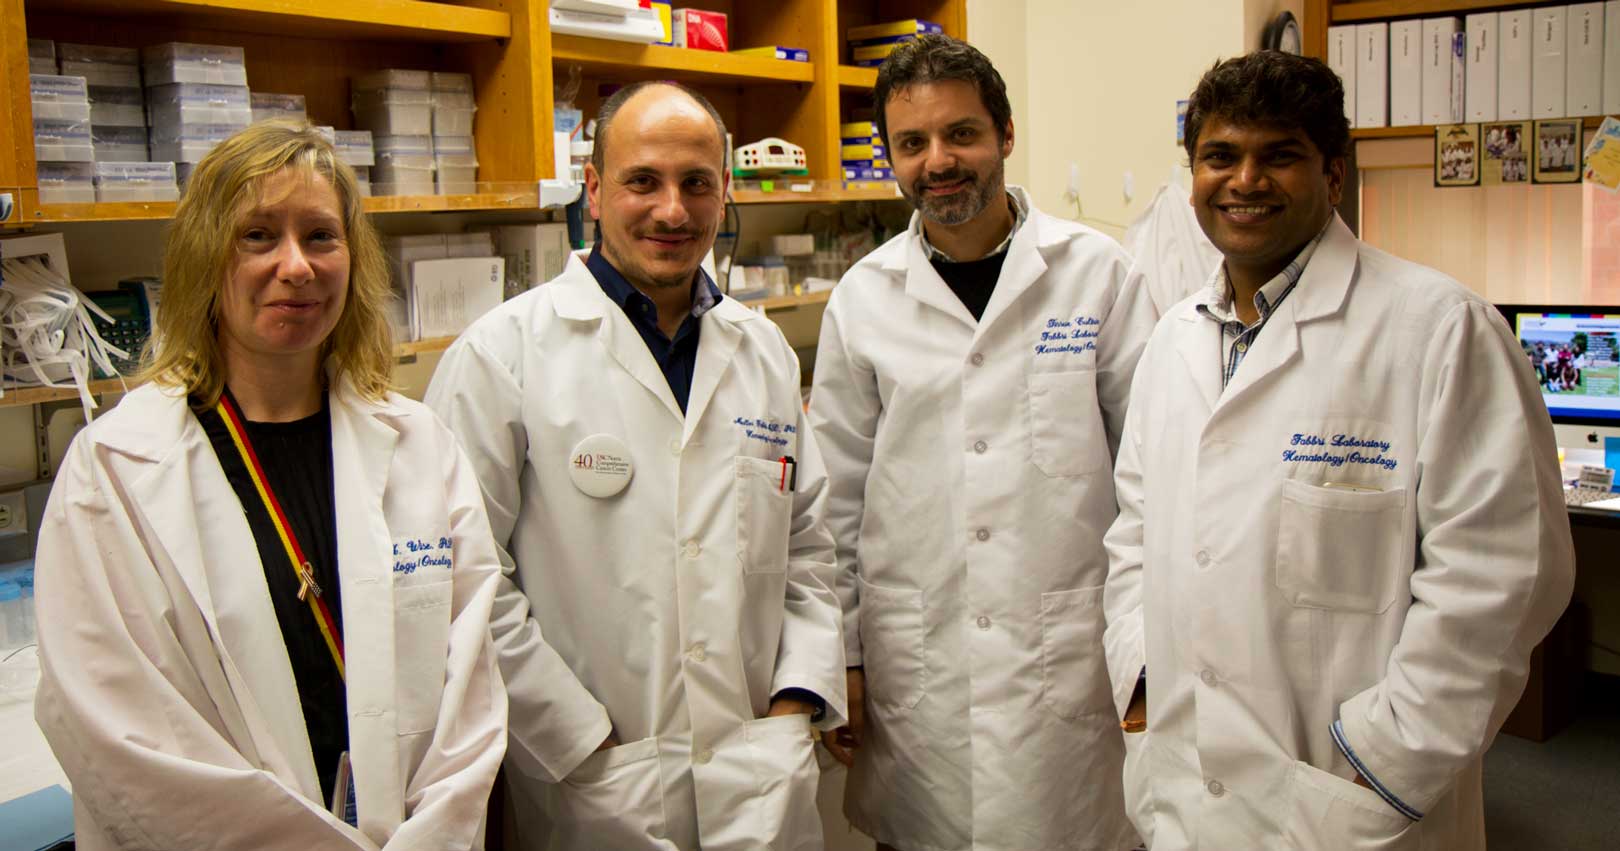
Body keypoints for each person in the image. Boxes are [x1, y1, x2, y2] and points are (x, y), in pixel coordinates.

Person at [1102, 51, 1575, 850]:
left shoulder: (1439, 330)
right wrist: (1142, 679)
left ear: (1333, 174)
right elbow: (1133, 534)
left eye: (1278, 155)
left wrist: (1381, 764)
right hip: (1183, 784)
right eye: (1220, 156)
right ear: (1192, 176)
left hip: (1350, 797)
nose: (1244, 180)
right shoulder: (1171, 341)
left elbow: (1502, 581)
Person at [32, 122, 508, 850]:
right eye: (258, 235)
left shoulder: (420, 445)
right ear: (204, 257)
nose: (297, 266)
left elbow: (470, 694)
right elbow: (120, 736)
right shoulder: (114, 472)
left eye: (321, 236)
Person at [424, 81, 846, 851]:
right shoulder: (500, 356)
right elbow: (468, 583)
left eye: (697, 184)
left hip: (760, 775)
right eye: (642, 181)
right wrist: (581, 743)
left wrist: (797, 699)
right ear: (593, 189)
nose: (673, 211)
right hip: (592, 786)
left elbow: (810, 550)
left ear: (724, 194)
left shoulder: (763, 353)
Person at [809, 34, 1154, 851]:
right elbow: (836, 505)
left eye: (960, 133)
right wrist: (845, 658)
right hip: (922, 670)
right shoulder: (863, 300)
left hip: (1066, 665)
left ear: (1004, 133)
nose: (939, 161)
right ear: (892, 156)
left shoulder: (1098, 274)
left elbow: (1150, 482)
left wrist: (1144, 649)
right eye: (912, 143)